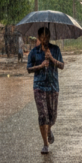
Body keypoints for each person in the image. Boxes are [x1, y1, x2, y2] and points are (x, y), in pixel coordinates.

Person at [26, 26, 65, 155]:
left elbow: (62, 66)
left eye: (46, 36)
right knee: (43, 115)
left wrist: (52, 59)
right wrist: (41, 66)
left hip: (53, 86)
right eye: (42, 37)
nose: (44, 39)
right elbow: (29, 69)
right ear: (39, 37)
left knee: (52, 117)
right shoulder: (34, 52)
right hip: (39, 87)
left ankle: (49, 130)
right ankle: (45, 144)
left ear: (49, 37)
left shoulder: (55, 49)